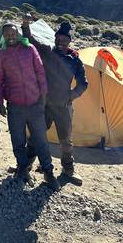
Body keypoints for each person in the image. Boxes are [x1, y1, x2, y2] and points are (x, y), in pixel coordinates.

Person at [0, 23, 60, 191]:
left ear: (18, 34)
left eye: (13, 33)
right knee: (18, 141)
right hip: (15, 106)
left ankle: (48, 172)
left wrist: (43, 96)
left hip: (35, 103)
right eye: (7, 34)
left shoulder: (29, 49)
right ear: (4, 36)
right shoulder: (1, 55)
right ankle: (22, 169)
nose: (11, 37)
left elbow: (40, 72)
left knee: (41, 140)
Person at [22, 18, 88, 185]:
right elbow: (31, 40)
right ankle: (25, 166)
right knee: (36, 136)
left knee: (66, 140)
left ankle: (68, 170)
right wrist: (25, 26)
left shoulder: (75, 61)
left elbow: (83, 83)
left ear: (69, 41)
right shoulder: (47, 52)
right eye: (58, 39)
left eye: (64, 40)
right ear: (55, 39)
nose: (60, 42)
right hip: (44, 104)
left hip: (64, 107)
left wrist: (72, 95)